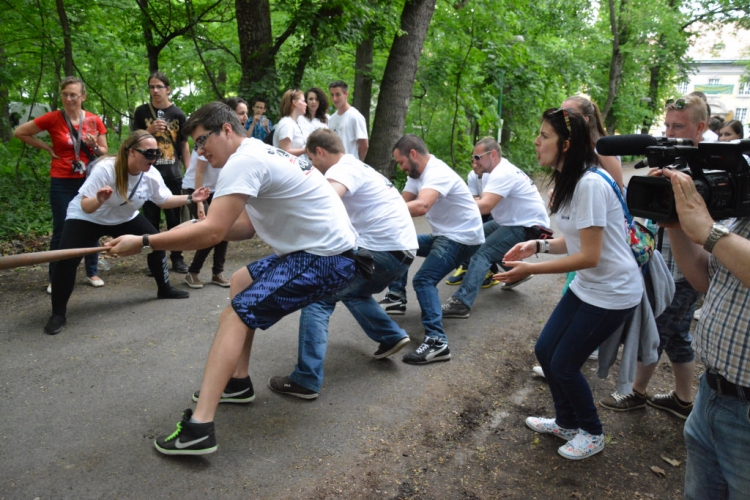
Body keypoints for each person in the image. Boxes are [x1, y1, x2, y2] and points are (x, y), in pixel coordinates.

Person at [106, 102, 359, 456]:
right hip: (316, 253)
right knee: (242, 281)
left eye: (201, 140)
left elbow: (213, 233)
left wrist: (146, 242)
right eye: (194, 145)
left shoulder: (245, 160)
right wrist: (194, 228)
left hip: (325, 259)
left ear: (226, 130)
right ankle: (237, 383)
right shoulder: (258, 155)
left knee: (236, 314)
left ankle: (198, 428)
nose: (200, 151)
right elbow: (240, 227)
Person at [499, 108, 642, 460]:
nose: (536, 141)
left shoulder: (591, 184)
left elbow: (589, 256)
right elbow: (577, 242)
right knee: (545, 351)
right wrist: (539, 246)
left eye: (544, 135)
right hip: (588, 285)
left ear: (566, 144)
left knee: (564, 363)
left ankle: (592, 432)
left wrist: (531, 269)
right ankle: (565, 422)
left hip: (613, 291)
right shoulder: (572, 180)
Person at [269, 129, 418, 399]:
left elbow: (324, 201)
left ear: (320, 152)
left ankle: (305, 379)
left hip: (382, 251)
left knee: (318, 297)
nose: (314, 168)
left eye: (313, 161)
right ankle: (391, 336)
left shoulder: (341, 169)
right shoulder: (359, 166)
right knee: (353, 290)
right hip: (401, 252)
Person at [599, 95, 706, 419]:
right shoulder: (669, 165)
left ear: (700, 128)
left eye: (679, 126)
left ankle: (636, 392)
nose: (670, 133)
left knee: (655, 331)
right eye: (667, 125)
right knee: (677, 335)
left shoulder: (708, 174)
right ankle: (683, 399)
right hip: (663, 267)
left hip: (687, 273)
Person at [44, 131, 205, 335]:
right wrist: (100, 199)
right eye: (148, 153)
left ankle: (164, 288)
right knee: (66, 260)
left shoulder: (151, 174)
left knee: (156, 242)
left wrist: (191, 198)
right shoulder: (106, 169)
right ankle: (58, 313)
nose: (153, 158)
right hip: (87, 216)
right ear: (131, 152)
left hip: (124, 216)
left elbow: (163, 200)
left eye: (156, 153)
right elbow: (86, 206)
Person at [657, 167, 750, 499]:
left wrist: (709, 231)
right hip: (712, 393)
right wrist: (678, 226)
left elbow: (712, 238)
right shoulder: (743, 212)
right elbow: (704, 280)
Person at [380, 135, 484, 364]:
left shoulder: (437, 171)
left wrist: (382, 213)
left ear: (413, 154)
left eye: (401, 162)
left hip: (463, 237)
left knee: (423, 280)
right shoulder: (415, 175)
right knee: (401, 243)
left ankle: (437, 342)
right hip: (445, 235)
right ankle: (396, 296)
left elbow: (421, 205)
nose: (401, 168)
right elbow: (400, 202)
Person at [14, 76, 108, 291]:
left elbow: (104, 152)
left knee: (90, 224)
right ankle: (55, 277)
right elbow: (20, 132)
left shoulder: (94, 120)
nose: (68, 99)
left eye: (73, 95)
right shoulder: (53, 118)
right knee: (61, 228)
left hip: (88, 180)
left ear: (83, 97)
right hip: (62, 180)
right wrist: (46, 148)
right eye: (65, 94)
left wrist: (93, 147)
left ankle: (92, 272)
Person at [440, 138, 550, 319]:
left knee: (481, 252)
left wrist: (449, 206)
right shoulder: (494, 172)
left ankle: (462, 303)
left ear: (492, 155)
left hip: (527, 225)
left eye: (477, 157)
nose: (474, 163)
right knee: (477, 236)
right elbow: (478, 202)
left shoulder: (502, 173)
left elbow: (484, 207)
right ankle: (515, 273)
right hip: (512, 221)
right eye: (473, 158)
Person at [133, 71, 191, 273]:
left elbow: (184, 145)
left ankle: (177, 258)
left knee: (174, 220)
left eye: (159, 86)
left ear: (168, 89)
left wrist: (189, 171)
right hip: (148, 173)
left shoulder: (178, 114)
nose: (155, 91)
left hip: (172, 173)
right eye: (151, 87)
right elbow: (133, 140)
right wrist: (149, 130)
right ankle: (155, 261)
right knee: (151, 221)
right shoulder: (141, 112)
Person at [181, 148, 229, 288]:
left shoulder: (231, 142)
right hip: (195, 190)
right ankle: (192, 272)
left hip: (217, 189)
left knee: (225, 230)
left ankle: (217, 273)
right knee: (211, 230)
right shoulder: (206, 144)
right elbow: (199, 172)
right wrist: (200, 203)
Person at [561, 95, 623, 189]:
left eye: (569, 114)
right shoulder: (569, 149)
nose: (563, 119)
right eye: (561, 114)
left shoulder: (602, 150)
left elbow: (619, 191)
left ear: (586, 120)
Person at [328, 80, 369, 160]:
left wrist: (358, 163)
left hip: (350, 165)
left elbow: (364, 145)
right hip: (334, 165)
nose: (334, 99)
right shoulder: (332, 118)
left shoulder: (355, 116)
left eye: (338, 94)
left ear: (346, 94)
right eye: (332, 95)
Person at [272, 89, 307, 156]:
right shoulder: (287, 124)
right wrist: (306, 150)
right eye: (303, 101)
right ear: (294, 103)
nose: (306, 104)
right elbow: (285, 151)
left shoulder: (293, 123)